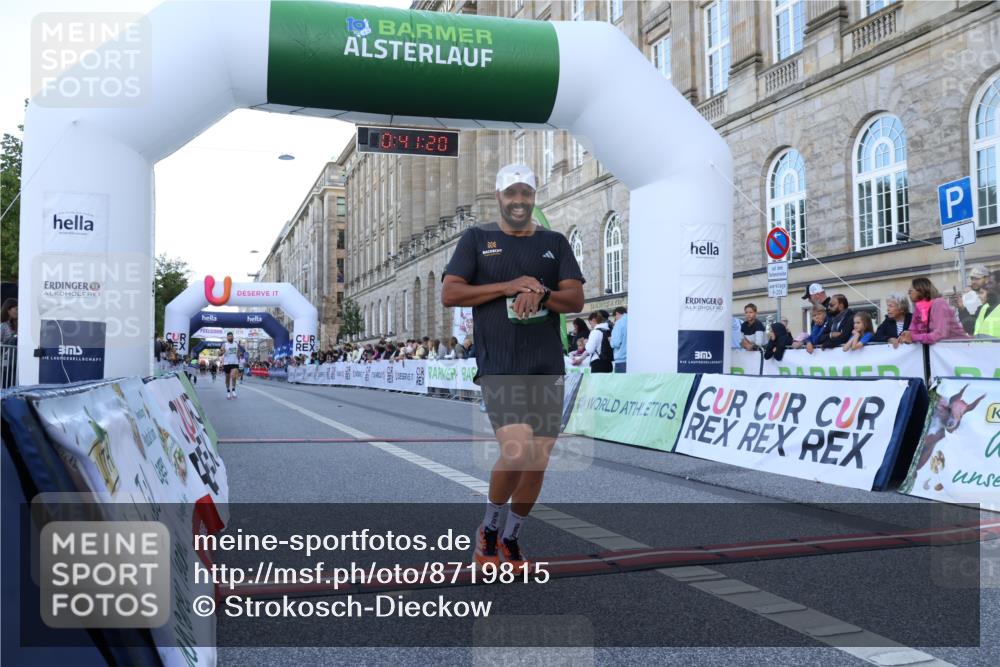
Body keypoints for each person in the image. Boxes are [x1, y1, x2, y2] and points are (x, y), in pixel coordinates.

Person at [441, 162, 585, 573]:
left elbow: (574, 300)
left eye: (526, 193)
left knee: (538, 459)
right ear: (499, 196)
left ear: (533, 197)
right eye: (511, 194)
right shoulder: (477, 239)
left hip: (544, 363)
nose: (519, 201)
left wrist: (540, 295)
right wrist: (508, 286)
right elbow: (451, 293)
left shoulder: (554, 243)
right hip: (500, 361)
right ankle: (488, 527)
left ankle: (511, 536)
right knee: (516, 448)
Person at [900, 277, 970, 345]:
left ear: (921, 290)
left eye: (910, 291)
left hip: (958, 348)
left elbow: (940, 334)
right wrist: (907, 335)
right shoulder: (918, 308)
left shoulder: (939, 303)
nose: (908, 293)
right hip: (939, 352)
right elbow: (914, 332)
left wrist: (913, 337)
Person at [954, 265, 993, 334]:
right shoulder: (967, 295)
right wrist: (962, 308)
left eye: (977, 278)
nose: (973, 281)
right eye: (972, 278)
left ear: (986, 279)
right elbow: (970, 325)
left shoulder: (992, 301)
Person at [220, 331, 242, 399]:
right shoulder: (224, 344)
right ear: (227, 337)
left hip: (235, 363)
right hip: (227, 363)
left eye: (231, 336)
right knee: (227, 378)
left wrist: (239, 356)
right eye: (229, 336)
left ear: (233, 337)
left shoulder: (236, 344)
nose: (230, 337)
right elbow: (220, 353)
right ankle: (228, 391)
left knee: (233, 376)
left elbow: (238, 353)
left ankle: (233, 390)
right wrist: (221, 352)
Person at [1, 298, 17, 388]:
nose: (18, 311)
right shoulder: (3, 326)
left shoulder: (17, 324)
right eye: (16, 309)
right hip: (5, 364)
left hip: (14, 363)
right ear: (8, 310)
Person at [610, 306, 627, 373]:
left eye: (615, 317)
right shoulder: (633, 320)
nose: (615, 319)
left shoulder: (619, 323)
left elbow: (616, 343)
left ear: (617, 313)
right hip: (632, 359)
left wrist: (611, 340)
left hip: (621, 358)